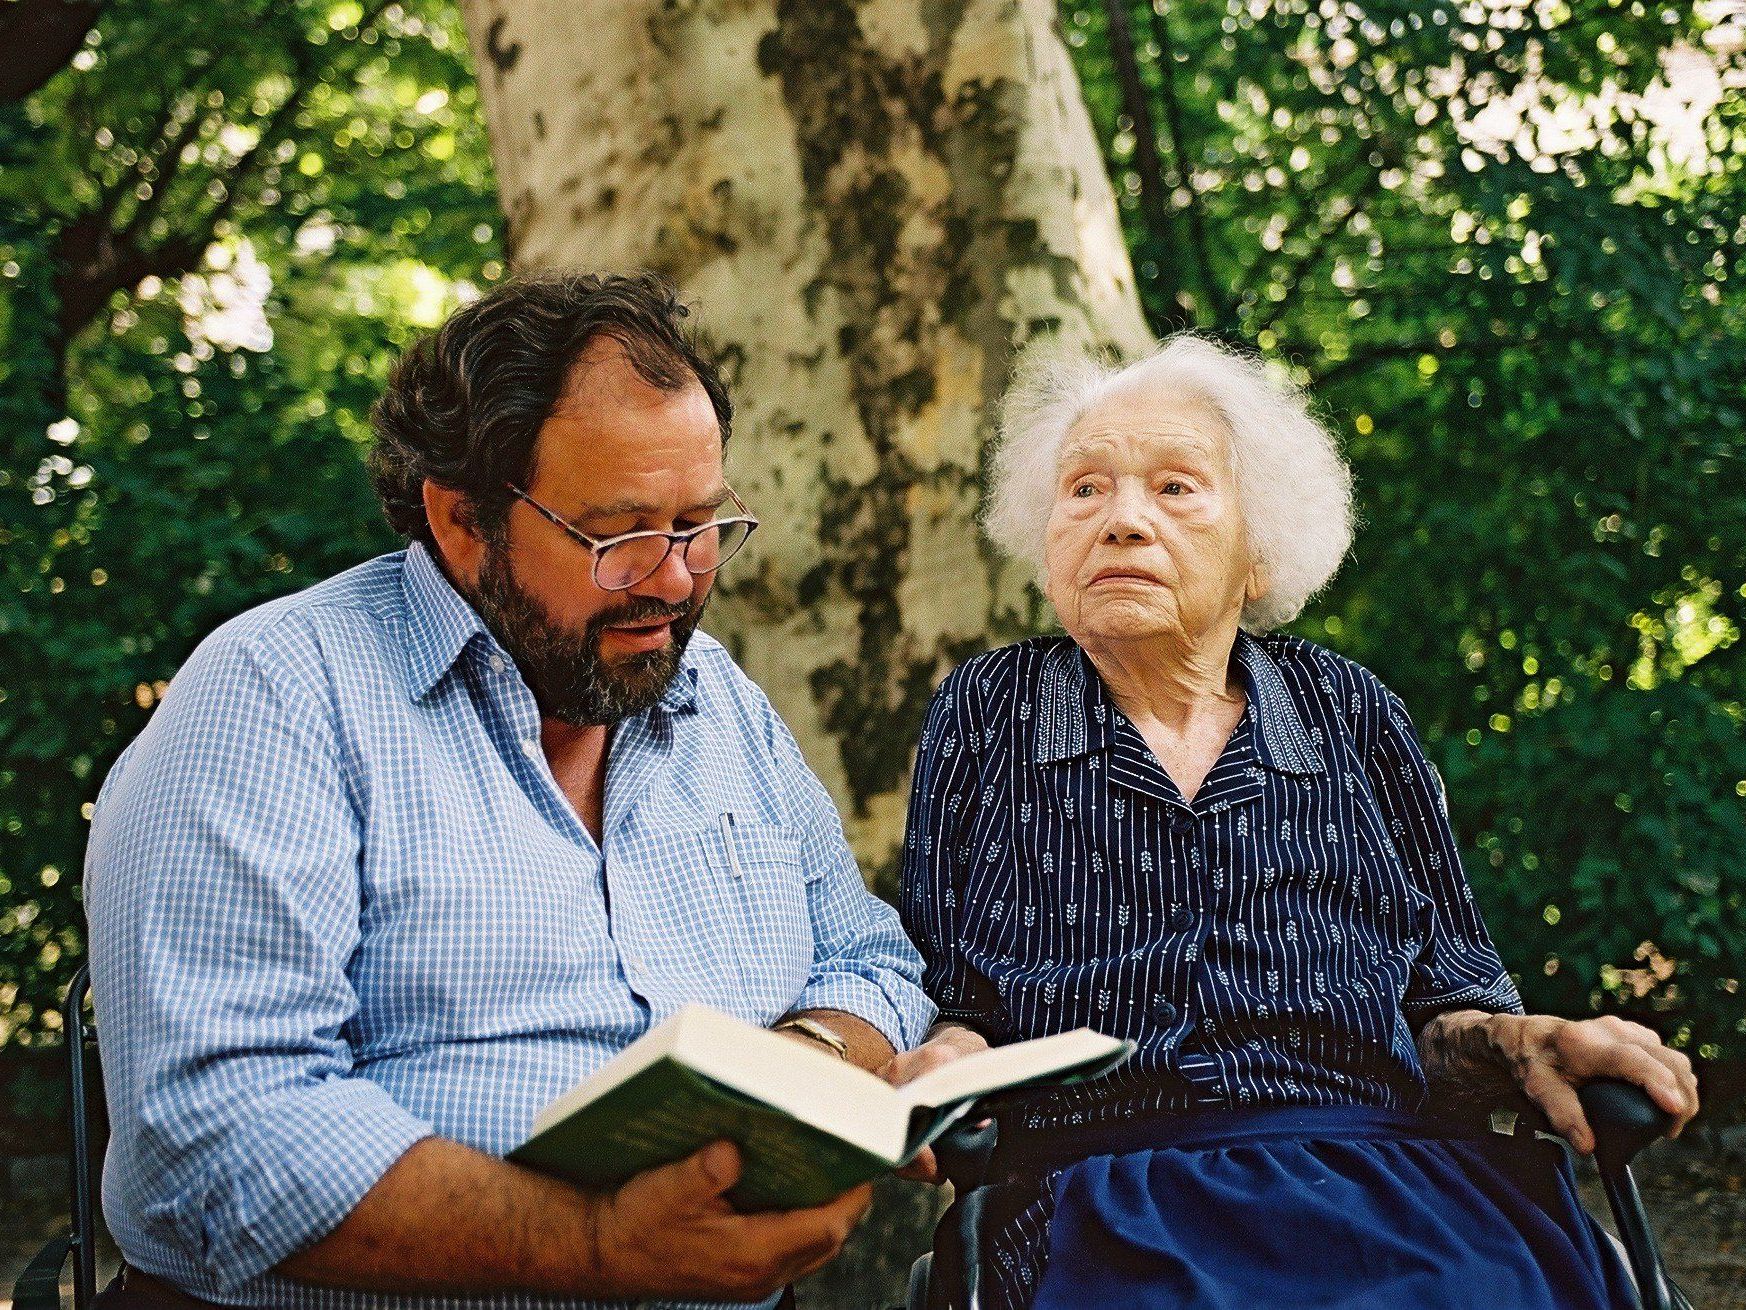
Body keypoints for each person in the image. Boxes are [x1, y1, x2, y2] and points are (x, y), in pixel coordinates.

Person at [83, 272, 960, 1309]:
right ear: (462, 521)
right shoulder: (277, 697)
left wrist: (806, 1059)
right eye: (621, 533)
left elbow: (866, 954)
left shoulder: (717, 702)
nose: (678, 578)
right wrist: (593, 1245)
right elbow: (214, 1134)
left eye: (701, 523)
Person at [892, 335, 1702, 1309]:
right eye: (1085, 489)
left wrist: (1523, 1040)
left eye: (1176, 488)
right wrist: (942, 1055)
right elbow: (952, 988)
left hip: (1389, 1188)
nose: (1123, 520)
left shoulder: (1350, 710)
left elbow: (1444, 1008)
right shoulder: (990, 711)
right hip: (1104, 1194)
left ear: (1257, 553)